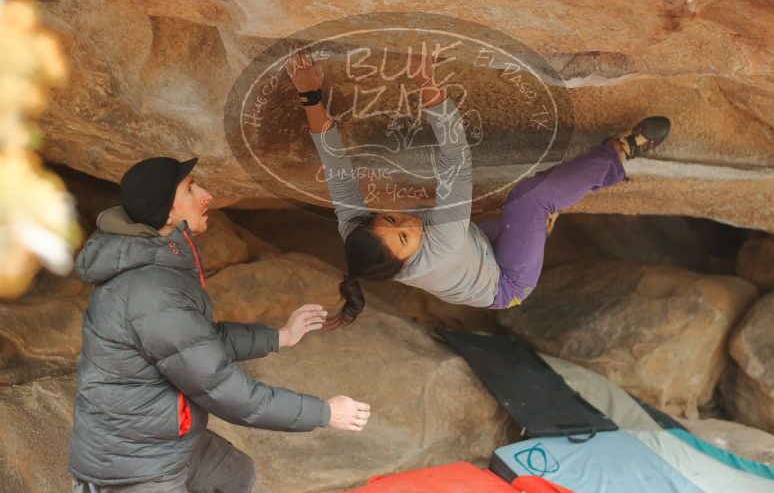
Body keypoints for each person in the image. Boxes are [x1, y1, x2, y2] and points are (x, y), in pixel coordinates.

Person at [287, 48, 671, 327]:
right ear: (405, 260)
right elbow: (457, 158)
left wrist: (310, 95)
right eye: (405, 238)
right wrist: (428, 88)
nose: (410, 223)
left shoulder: (355, 228)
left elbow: (334, 165)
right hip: (505, 282)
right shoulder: (441, 243)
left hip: (477, 248)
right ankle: (617, 155)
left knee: (519, 217)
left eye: (391, 218)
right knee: (528, 201)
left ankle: (530, 232)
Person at [69, 156, 370, 492]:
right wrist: (324, 412)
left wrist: (280, 336)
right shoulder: (151, 292)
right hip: (135, 462)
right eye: (190, 188)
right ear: (167, 214)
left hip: (160, 439)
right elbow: (221, 388)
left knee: (232, 474)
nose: (207, 193)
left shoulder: (156, 269)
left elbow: (195, 343)